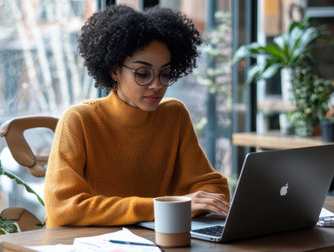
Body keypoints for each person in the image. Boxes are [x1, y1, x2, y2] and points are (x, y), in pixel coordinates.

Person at [43, 4, 230, 228]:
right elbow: (63, 208)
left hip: (154, 240)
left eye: (165, 74)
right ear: (114, 70)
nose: (156, 85)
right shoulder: (79, 120)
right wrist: (166, 206)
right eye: (143, 73)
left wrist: (187, 204)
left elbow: (213, 188)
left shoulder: (173, 115)